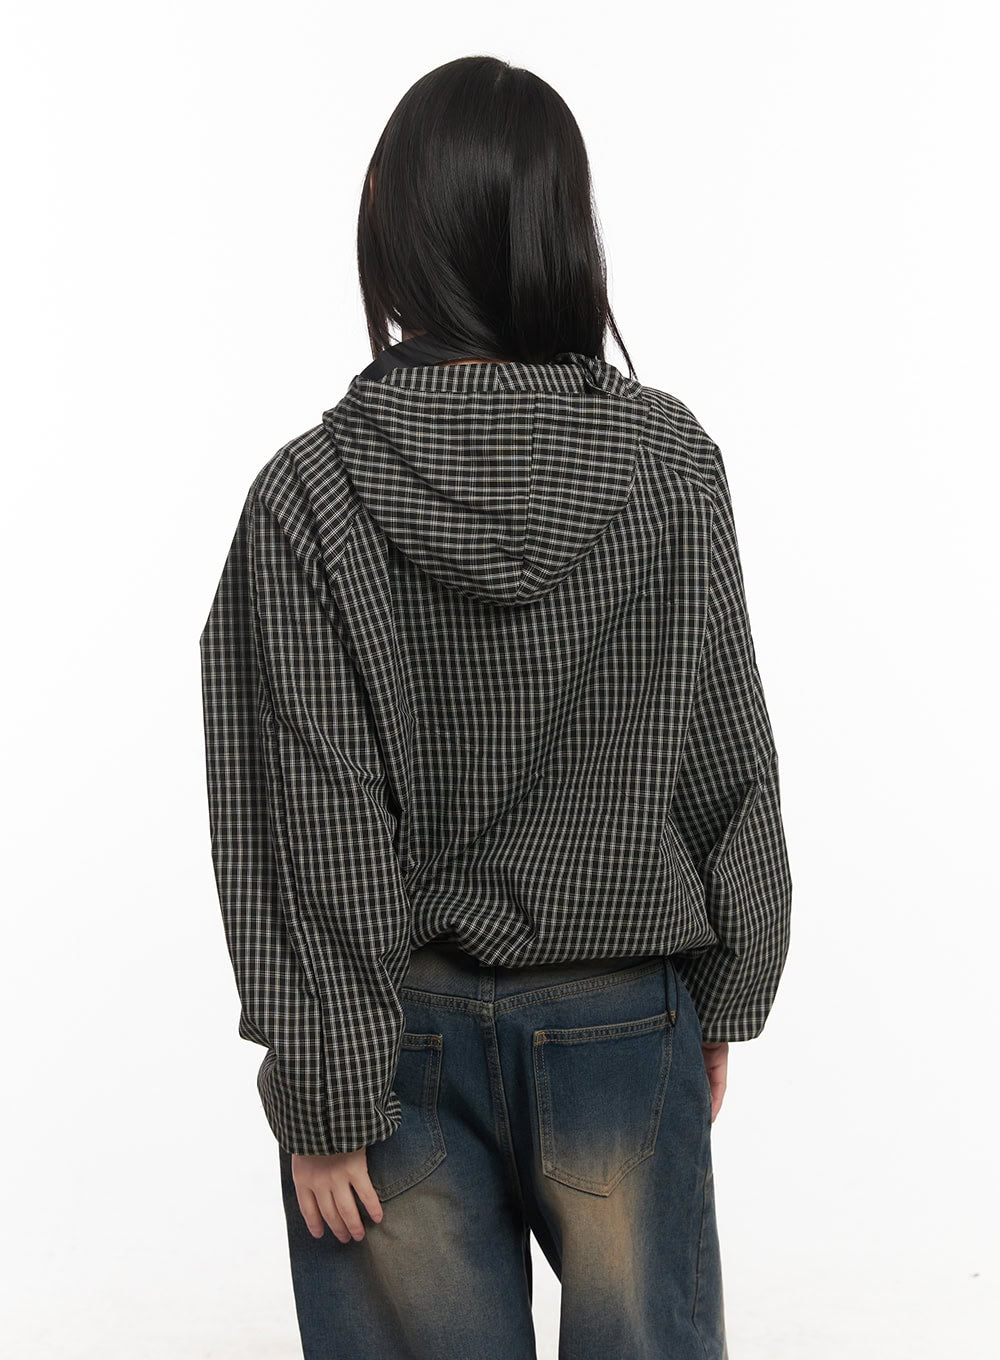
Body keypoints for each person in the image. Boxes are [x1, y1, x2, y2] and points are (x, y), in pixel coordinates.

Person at [198, 53, 792, 1360]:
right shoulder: (672, 466)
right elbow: (727, 758)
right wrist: (721, 992)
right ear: (564, 233)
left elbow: (310, 820)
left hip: (393, 1046)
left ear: (395, 233)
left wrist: (325, 1092)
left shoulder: (308, 499)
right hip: (624, 1019)